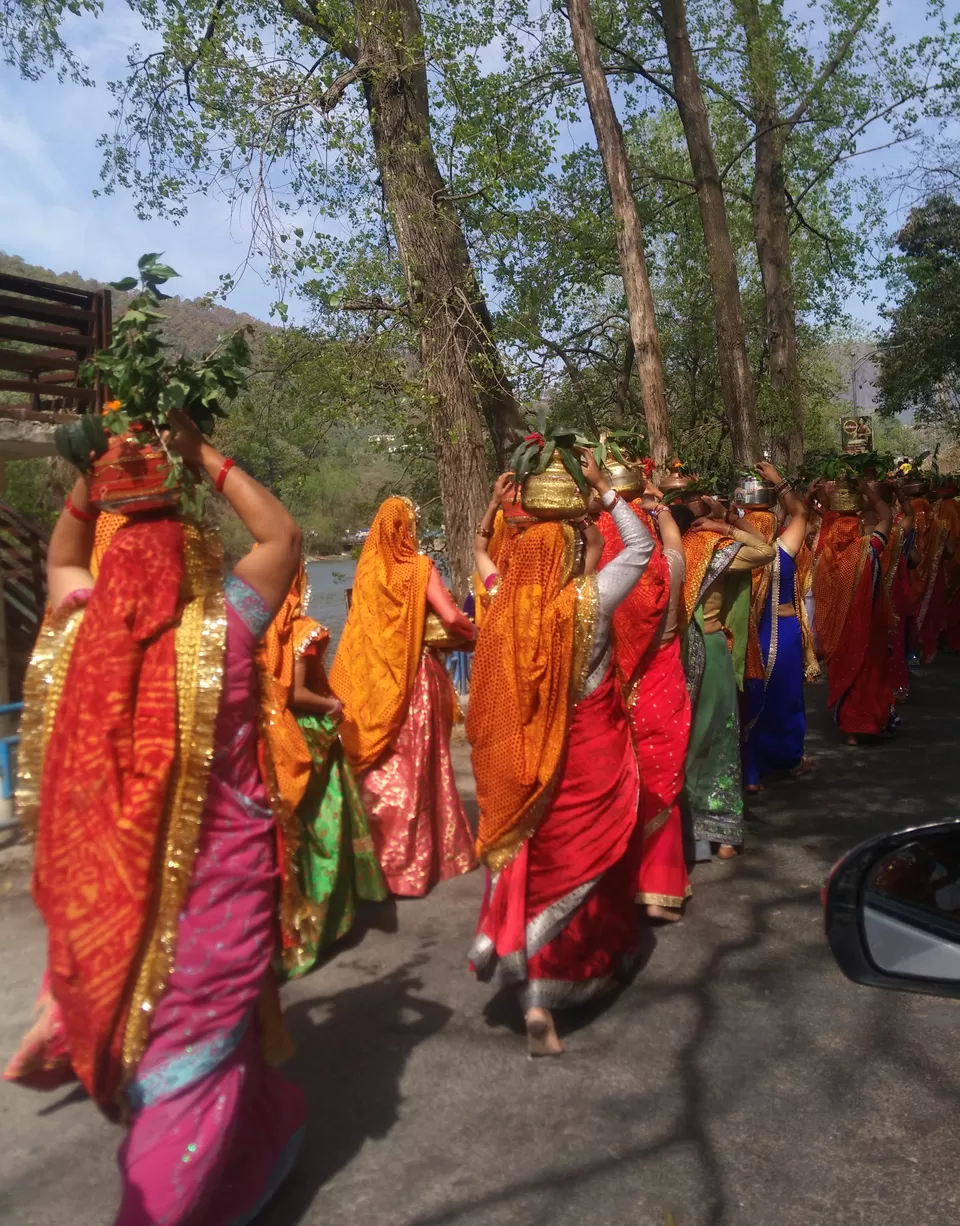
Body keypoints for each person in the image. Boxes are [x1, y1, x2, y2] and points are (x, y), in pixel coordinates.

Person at [10, 411, 308, 1226]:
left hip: (110, 901)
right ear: (191, 549)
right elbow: (280, 534)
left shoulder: (76, 629)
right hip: (223, 896)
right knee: (199, 1059)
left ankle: (245, 1156)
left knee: (171, 1055)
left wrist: (95, 471)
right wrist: (195, 453)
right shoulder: (228, 625)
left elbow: (65, 558)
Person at [467, 453, 655, 1056]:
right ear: (572, 552)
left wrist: (491, 516)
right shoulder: (591, 601)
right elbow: (642, 549)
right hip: (590, 758)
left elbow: (483, 564)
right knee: (590, 866)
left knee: (542, 865)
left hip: (530, 766)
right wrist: (604, 492)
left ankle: (535, 1003)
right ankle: (583, 968)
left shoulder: (504, 608)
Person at [330, 496, 477, 896]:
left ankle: (371, 863)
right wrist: (473, 633)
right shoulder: (419, 568)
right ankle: (414, 866)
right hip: (415, 680)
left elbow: (361, 632)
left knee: (382, 767)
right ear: (408, 529)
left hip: (375, 682)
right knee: (420, 765)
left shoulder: (367, 572)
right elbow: (449, 616)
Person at [260, 562, 388, 969]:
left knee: (286, 831)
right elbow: (296, 693)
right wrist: (333, 703)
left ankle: (283, 928)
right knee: (323, 830)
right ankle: (324, 922)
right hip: (308, 736)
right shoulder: (304, 631)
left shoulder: (258, 632)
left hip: (272, 736)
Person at [681, 498, 776, 860]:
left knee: (682, 740)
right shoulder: (715, 548)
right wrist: (728, 526)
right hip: (711, 647)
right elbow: (765, 550)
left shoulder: (661, 546)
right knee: (718, 739)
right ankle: (722, 836)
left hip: (672, 656)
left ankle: (685, 834)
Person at [619, 492, 693, 921]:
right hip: (663, 688)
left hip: (622, 690)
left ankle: (626, 879)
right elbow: (675, 541)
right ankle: (659, 890)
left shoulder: (610, 584)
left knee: (631, 787)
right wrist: (659, 506)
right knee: (664, 785)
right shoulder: (672, 568)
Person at [741, 463, 810, 793]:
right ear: (772, 523)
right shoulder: (782, 550)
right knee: (785, 698)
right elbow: (800, 512)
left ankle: (752, 770)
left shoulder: (737, 551)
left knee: (752, 697)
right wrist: (778, 479)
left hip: (749, 634)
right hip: (784, 634)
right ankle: (790, 758)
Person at [813, 480, 893, 744]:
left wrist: (820, 500)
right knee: (866, 672)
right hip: (864, 629)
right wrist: (870, 494)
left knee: (846, 673)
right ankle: (870, 722)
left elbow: (821, 596)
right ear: (858, 528)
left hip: (836, 632)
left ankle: (851, 731)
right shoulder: (868, 550)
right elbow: (887, 518)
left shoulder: (825, 557)